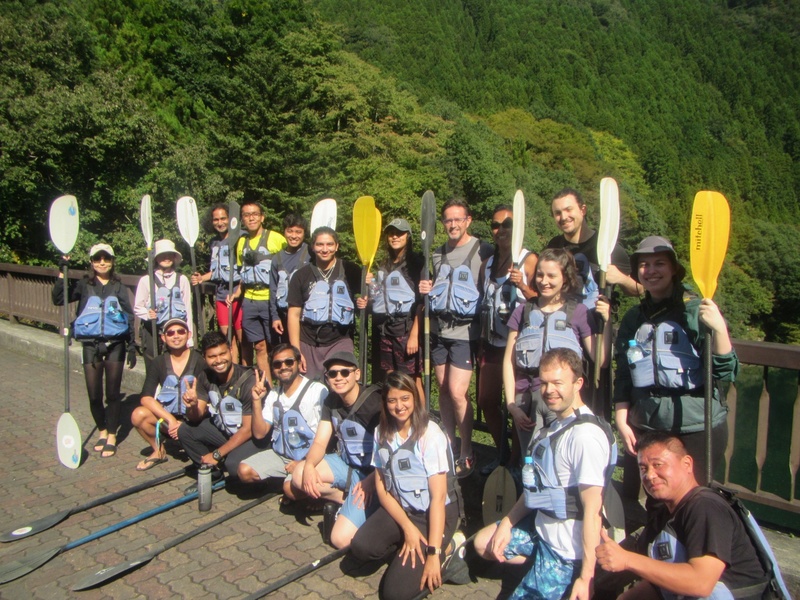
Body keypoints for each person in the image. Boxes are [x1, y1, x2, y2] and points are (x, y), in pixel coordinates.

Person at [474, 348, 613, 600]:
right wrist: (507, 523)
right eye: (544, 383)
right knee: (484, 542)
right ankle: (537, 562)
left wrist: (586, 576)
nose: (549, 391)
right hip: (542, 531)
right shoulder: (557, 425)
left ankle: (569, 580)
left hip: (565, 551)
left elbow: (593, 510)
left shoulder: (585, 437)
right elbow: (535, 490)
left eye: (558, 383)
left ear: (578, 383)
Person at [614, 236, 738, 485]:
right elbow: (624, 374)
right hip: (649, 423)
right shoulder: (633, 318)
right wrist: (621, 418)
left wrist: (720, 329)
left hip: (696, 424)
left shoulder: (693, 311)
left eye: (659, 263)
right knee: (656, 495)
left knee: (694, 497)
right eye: (643, 265)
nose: (650, 271)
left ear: (673, 269)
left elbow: (726, 373)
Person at [595, 432, 767, 600]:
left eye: (658, 465)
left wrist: (627, 559)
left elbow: (701, 582)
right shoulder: (666, 514)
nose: (649, 475)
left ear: (687, 464)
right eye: (643, 468)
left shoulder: (705, 507)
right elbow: (662, 581)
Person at [349, 372, 462, 600]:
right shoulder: (381, 432)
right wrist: (407, 528)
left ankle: (448, 548)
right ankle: (408, 544)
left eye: (405, 398)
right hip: (403, 510)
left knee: (394, 594)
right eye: (392, 400)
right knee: (361, 547)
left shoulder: (430, 435)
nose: (399, 406)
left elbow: (438, 499)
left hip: (433, 514)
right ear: (385, 403)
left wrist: (432, 554)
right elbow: (382, 487)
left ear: (415, 399)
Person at [504, 248, 610, 457]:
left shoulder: (578, 313)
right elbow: (508, 361)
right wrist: (511, 405)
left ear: (565, 278)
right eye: (541, 274)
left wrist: (606, 322)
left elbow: (602, 361)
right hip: (526, 400)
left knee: (561, 460)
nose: (544, 281)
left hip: (563, 402)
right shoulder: (523, 311)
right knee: (532, 460)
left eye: (552, 276)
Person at [418, 198, 493, 478]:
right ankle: (448, 442)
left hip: (465, 333)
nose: (452, 224)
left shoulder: (483, 251)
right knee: (442, 388)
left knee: (459, 393)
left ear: (468, 220)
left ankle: (466, 450)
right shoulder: (437, 255)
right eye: (447, 220)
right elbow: (435, 286)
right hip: (439, 331)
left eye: (457, 219)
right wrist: (426, 287)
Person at [288, 351, 382, 548]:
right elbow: (321, 442)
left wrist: (371, 481)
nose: (338, 378)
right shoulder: (331, 402)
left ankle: (372, 505)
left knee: (339, 540)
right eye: (332, 374)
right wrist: (310, 466)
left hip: (375, 475)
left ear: (357, 374)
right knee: (299, 475)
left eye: (344, 372)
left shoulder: (375, 404)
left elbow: (388, 453)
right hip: (347, 466)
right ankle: (350, 501)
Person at [52, 243, 136, 458]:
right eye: (98, 259)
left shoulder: (119, 286)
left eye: (106, 259)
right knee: (94, 395)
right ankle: (102, 430)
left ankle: (112, 435)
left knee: (113, 394)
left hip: (115, 344)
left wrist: (132, 346)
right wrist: (62, 272)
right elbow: (59, 299)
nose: (102, 263)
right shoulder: (84, 284)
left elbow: (129, 316)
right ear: (91, 262)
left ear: (112, 261)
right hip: (90, 344)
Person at [477, 204, 538, 474]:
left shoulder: (529, 260)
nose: (500, 230)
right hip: (491, 343)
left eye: (507, 225)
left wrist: (522, 285)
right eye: (495, 225)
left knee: (515, 406)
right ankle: (502, 453)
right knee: (486, 400)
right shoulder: (488, 263)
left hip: (517, 346)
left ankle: (515, 462)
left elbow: (542, 299)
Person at [237, 343, 328, 489]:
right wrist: (256, 401)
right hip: (281, 456)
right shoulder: (273, 395)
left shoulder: (316, 391)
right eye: (277, 364)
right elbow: (260, 434)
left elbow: (326, 437)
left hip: (309, 458)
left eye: (289, 362)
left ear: (299, 363)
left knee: (291, 490)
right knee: (244, 471)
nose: (283, 367)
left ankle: (298, 488)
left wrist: (304, 462)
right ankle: (289, 482)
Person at [177, 331, 260, 480]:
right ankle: (212, 473)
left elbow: (248, 430)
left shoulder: (249, 381)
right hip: (226, 432)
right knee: (185, 430)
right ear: (204, 357)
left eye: (223, 354)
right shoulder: (204, 376)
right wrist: (192, 406)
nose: (219, 360)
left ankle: (260, 480)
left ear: (231, 351)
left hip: (253, 439)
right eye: (212, 356)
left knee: (233, 465)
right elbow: (195, 418)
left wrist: (217, 454)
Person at [286, 226, 361, 380]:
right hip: (308, 342)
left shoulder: (351, 271)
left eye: (330, 244)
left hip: (340, 340)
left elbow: (370, 298)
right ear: (313, 247)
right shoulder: (301, 276)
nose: (325, 249)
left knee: (340, 382)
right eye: (320, 244)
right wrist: (296, 351)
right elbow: (293, 315)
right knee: (310, 389)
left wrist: (367, 296)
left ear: (337, 246)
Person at [130, 317, 205, 471]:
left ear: (189, 334)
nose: (176, 336)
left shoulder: (200, 360)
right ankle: (158, 451)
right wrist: (171, 420)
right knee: (138, 415)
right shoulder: (158, 362)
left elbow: (207, 396)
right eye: (170, 333)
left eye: (180, 331)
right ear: (163, 338)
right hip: (167, 420)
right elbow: (146, 397)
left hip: (194, 418)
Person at [546, 188, 639, 303]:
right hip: (561, 318)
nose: (564, 217)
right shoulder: (554, 246)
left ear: (583, 210)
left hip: (596, 318)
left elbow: (639, 289)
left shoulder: (608, 246)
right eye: (558, 213)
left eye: (568, 210)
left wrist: (621, 279)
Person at [366, 218, 424, 395]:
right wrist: (369, 284)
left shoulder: (417, 263)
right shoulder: (384, 265)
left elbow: (422, 303)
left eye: (399, 233)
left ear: (408, 236)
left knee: (412, 381)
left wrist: (414, 335)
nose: (395, 237)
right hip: (386, 331)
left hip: (406, 331)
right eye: (391, 233)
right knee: (391, 379)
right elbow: (379, 297)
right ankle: (396, 420)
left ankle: (421, 421)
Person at [228, 200, 287, 372]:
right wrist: (237, 293)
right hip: (249, 301)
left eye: (255, 214)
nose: (251, 218)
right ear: (242, 220)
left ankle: (280, 384)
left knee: (275, 346)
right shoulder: (241, 242)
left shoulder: (277, 239)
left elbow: (289, 264)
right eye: (246, 215)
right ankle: (267, 387)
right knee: (259, 346)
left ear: (262, 217)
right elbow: (243, 273)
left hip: (271, 300)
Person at [191, 203, 243, 363]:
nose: (220, 222)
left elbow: (245, 270)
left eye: (223, 218)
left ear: (230, 219)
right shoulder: (214, 243)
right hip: (221, 294)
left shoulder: (241, 238)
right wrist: (202, 278)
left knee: (244, 340)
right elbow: (217, 271)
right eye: (216, 219)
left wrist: (238, 292)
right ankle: (233, 372)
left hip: (238, 295)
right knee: (228, 339)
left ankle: (246, 373)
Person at [134, 239, 193, 369]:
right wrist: (148, 314)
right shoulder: (146, 280)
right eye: (162, 255)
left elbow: (187, 309)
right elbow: (138, 307)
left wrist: (190, 337)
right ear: (156, 258)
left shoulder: (182, 280)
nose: (166, 258)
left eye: (169, 254)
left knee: (174, 366)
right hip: (153, 329)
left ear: (174, 257)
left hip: (175, 330)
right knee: (152, 366)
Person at [269, 213, 310, 346]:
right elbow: (273, 290)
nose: (293, 236)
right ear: (284, 232)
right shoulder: (277, 259)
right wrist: (275, 317)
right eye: (290, 231)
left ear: (304, 233)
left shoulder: (311, 253)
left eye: (298, 232)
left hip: (306, 317)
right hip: (284, 315)